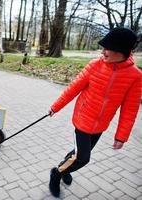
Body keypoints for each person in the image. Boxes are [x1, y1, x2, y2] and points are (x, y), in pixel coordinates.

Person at [48, 27, 141, 198]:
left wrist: (121, 136)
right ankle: (57, 173)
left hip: (101, 125)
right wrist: (56, 107)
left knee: (77, 155)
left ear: (121, 50)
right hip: (83, 120)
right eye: (103, 47)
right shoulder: (94, 65)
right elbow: (73, 88)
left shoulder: (135, 76)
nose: (103, 51)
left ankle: (65, 167)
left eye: (108, 48)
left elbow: (130, 109)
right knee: (83, 158)